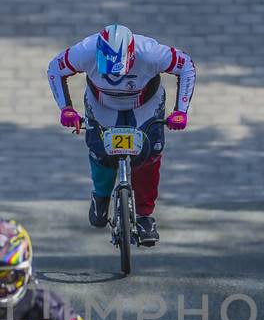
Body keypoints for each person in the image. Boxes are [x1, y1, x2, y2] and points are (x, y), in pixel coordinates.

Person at [47, 24, 196, 246]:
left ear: (132, 54)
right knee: (101, 153)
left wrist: (180, 112)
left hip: (145, 104)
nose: (115, 75)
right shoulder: (84, 51)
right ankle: (101, 195)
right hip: (102, 105)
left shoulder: (150, 52)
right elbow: (55, 70)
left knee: (148, 156)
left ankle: (144, 216)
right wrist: (66, 108)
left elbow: (186, 67)